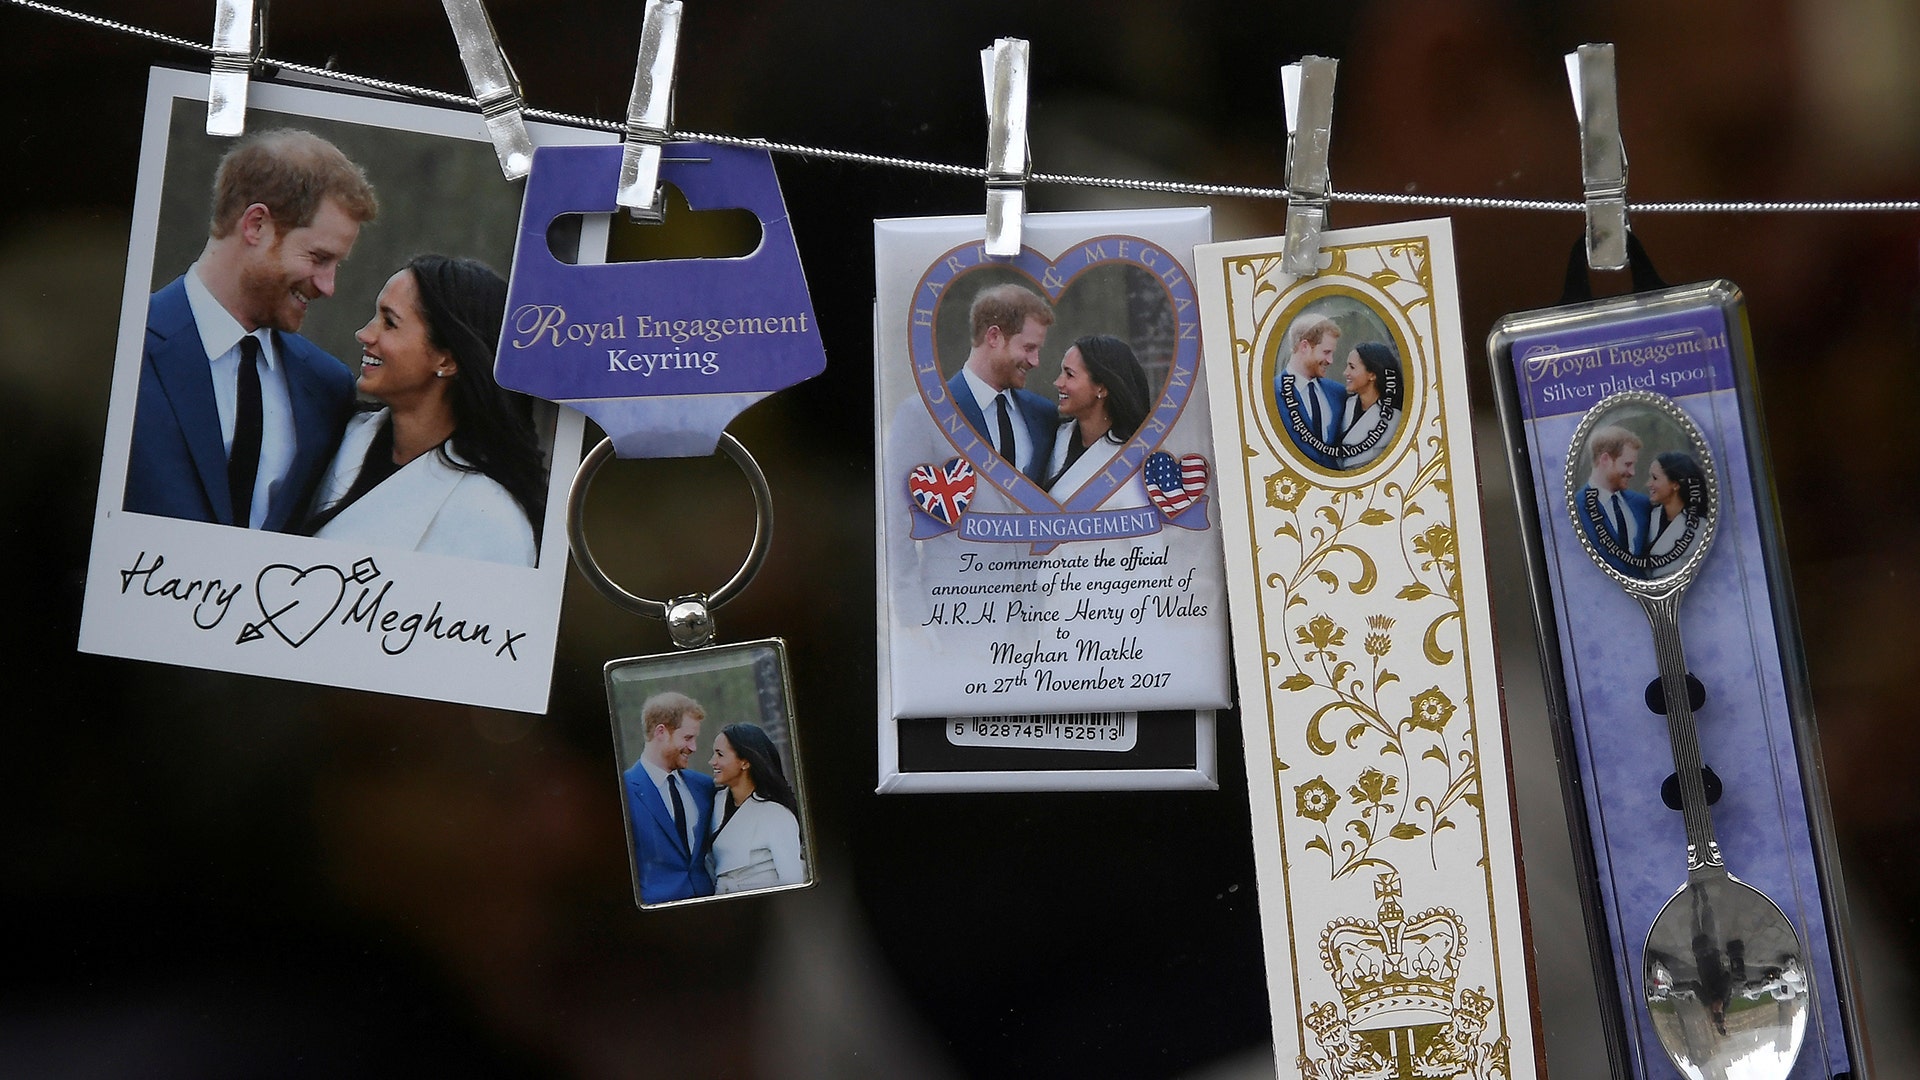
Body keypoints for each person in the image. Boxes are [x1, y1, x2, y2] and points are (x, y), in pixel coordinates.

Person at [126, 129, 378, 530]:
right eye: (318, 257)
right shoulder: (123, 346)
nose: (328, 287)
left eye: (337, 265)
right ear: (256, 224)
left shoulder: (327, 386)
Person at [301, 255, 546, 566]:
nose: (365, 334)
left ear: (446, 360)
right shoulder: (328, 436)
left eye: (389, 322)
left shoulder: (493, 520)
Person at [945, 283, 1058, 484]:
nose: (1035, 362)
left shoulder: (1044, 414)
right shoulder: (936, 411)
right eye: (1029, 348)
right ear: (994, 336)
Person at [622, 692, 716, 904]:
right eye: (688, 738)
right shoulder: (623, 791)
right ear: (661, 732)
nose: (693, 748)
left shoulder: (704, 787)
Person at [1044, 334, 1152, 505]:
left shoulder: (1135, 457)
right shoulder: (1054, 438)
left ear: (1101, 388)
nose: (1058, 382)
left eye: (1069, 375)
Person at [706, 722, 805, 893]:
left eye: (720, 754)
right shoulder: (717, 802)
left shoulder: (776, 814)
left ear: (744, 762)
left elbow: (792, 882)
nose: (712, 761)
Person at [1271, 313, 1346, 469]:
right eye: (1326, 352)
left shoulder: (1338, 393)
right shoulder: (1270, 395)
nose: (1330, 360)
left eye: (1332, 353)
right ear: (1304, 346)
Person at [1573, 424, 1650, 576]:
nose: (1632, 472)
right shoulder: (1576, 509)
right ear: (1605, 459)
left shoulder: (1642, 504)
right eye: (1627, 464)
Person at [1332, 342, 1403, 469]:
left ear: (1372, 374)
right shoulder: (1346, 405)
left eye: (1352, 367)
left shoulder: (1394, 420)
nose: (1345, 373)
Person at [1644, 450, 1707, 563]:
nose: (1648, 484)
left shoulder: (1699, 529)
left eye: (1655, 478)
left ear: (1675, 484)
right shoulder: (1648, 516)